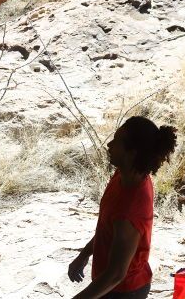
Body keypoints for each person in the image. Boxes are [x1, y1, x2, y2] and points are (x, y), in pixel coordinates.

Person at [68, 116, 177, 299]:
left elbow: (117, 274)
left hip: (124, 292)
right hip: (111, 286)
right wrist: (84, 254)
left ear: (132, 153)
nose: (109, 145)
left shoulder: (130, 209)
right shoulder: (124, 175)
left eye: (116, 142)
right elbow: (107, 228)